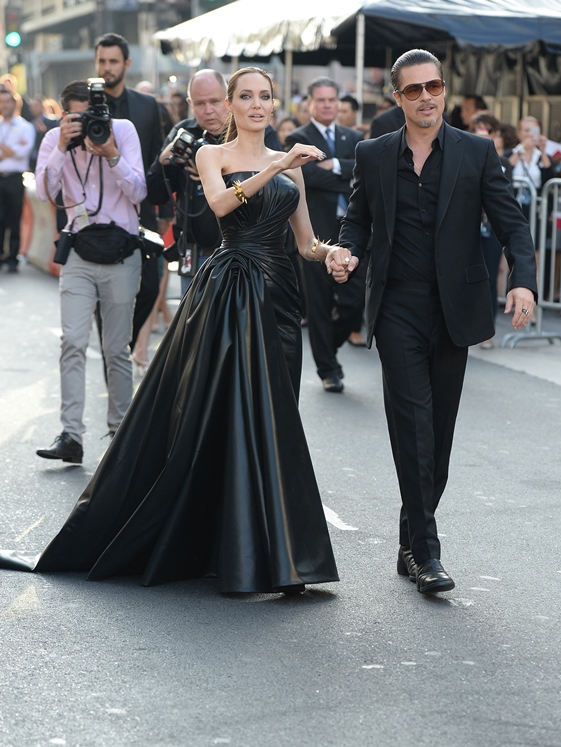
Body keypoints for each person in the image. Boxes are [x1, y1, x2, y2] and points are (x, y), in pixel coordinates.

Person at [0, 67, 349, 594]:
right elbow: (222, 204)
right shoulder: (214, 155)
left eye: (265, 96)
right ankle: (233, 549)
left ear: (274, 105)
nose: (257, 104)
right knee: (228, 414)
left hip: (279, 297)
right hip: (231, 294)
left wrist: (333, 251)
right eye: (246, 96)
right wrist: (277, 164)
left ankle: (276, 552)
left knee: (276, 418)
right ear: (230, 105)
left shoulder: (291, 166)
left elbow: (305, 243)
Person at [336, 49, 537, 594]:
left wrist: (522, 280)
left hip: (455, 311)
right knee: (413, 429)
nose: (426, 97)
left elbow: (513, 225)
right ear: (397, 97)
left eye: (434, 86)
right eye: (414, 89)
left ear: (444, 90)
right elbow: (358, 222)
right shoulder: (373, 154)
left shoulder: (477, 151)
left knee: (439, 439)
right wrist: (346, 252)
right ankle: (427, 552)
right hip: (397, 306)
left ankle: (409, 539)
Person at [34, 80, 146, 463]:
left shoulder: (122, 131)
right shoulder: (55, 139)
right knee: (72, 342)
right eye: (77, 118)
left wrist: (112, 154)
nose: (86, 125)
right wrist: (62, 148)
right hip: (79, 253)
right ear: (65, 115)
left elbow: (139, 192)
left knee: (117, 349)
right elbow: (45, 192)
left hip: (122, 253)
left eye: (92, 116)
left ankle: (120, 433)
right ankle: (71, 435)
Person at [285, 77, 364, 393]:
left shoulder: (354, 137)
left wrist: (334, 166)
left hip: (352, 231)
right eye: (321, 100)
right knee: (318, 303)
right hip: (314, 235)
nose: (328, 105)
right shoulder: (298, 138)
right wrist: (346, 175)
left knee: (355, 301)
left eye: (332, 99)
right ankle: (328, 370)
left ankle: (328, 349)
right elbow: (306, 177)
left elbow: (364, 172)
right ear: (310, 104)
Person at [94, 32, 170, 348]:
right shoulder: (86, 104)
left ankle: (122, 345)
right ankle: (113, 358)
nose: (106, 68)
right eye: (101, 61)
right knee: (103, 293)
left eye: (113, 61)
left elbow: (158, 159)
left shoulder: (147, 106)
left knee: (150, 286)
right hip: (99, 213)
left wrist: (165, 209)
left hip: (142, 210)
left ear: (126, 63)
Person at [470, 112, 514, 349]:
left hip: (491, 227)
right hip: (465, 226)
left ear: (496, 134)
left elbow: (505, 198)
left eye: (487, 129)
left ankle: (486, 331)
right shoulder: (463, 156)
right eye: (478, 129)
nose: (482, 133)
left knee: (488, 277)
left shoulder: (503, 163)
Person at [0, 89, 35, 273]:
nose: (4, 105)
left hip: (14, 179)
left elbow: (23, 152)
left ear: (14, 103)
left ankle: (13, 258)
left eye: (7, 101)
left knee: (14, 219)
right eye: (1, 101)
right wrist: (12, 148)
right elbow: (15, 151)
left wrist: (5, 149)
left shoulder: (25, 127)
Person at [28, 94, 58, 172]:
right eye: (32, 106)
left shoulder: (52, 121)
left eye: (36, 106)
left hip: (47, 158)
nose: (33, 108)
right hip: (33, 160)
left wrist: (44, 131)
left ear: (42, 106)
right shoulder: (30, 124)